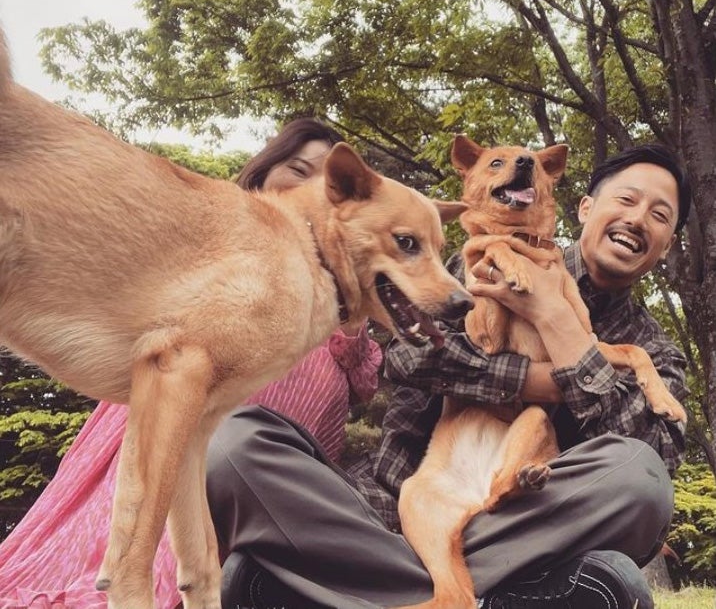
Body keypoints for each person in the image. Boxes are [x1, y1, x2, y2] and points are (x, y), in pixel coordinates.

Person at [210, 143, 691, 609]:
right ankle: (474, 595)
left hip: (524, 520)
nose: (637, 218)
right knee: (233, 444)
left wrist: (555, 319)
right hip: (393, 498)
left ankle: (396, 585)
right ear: (586, 207)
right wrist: (535, 380)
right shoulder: (475, 259)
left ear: (668, 243)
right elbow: (407, 356)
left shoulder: (654, 349)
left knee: (640, 480)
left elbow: (653, 457)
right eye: (626, 199)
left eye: (659, 215)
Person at [0, 118, 381, 609]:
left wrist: (351, 311)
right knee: (132, 543)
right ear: (265, 173)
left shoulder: (342, 287)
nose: (312, 188)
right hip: (177, 415)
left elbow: (364, 381)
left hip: (271, 462)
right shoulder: (224, 232)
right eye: (298, 169)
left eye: (328, 181)